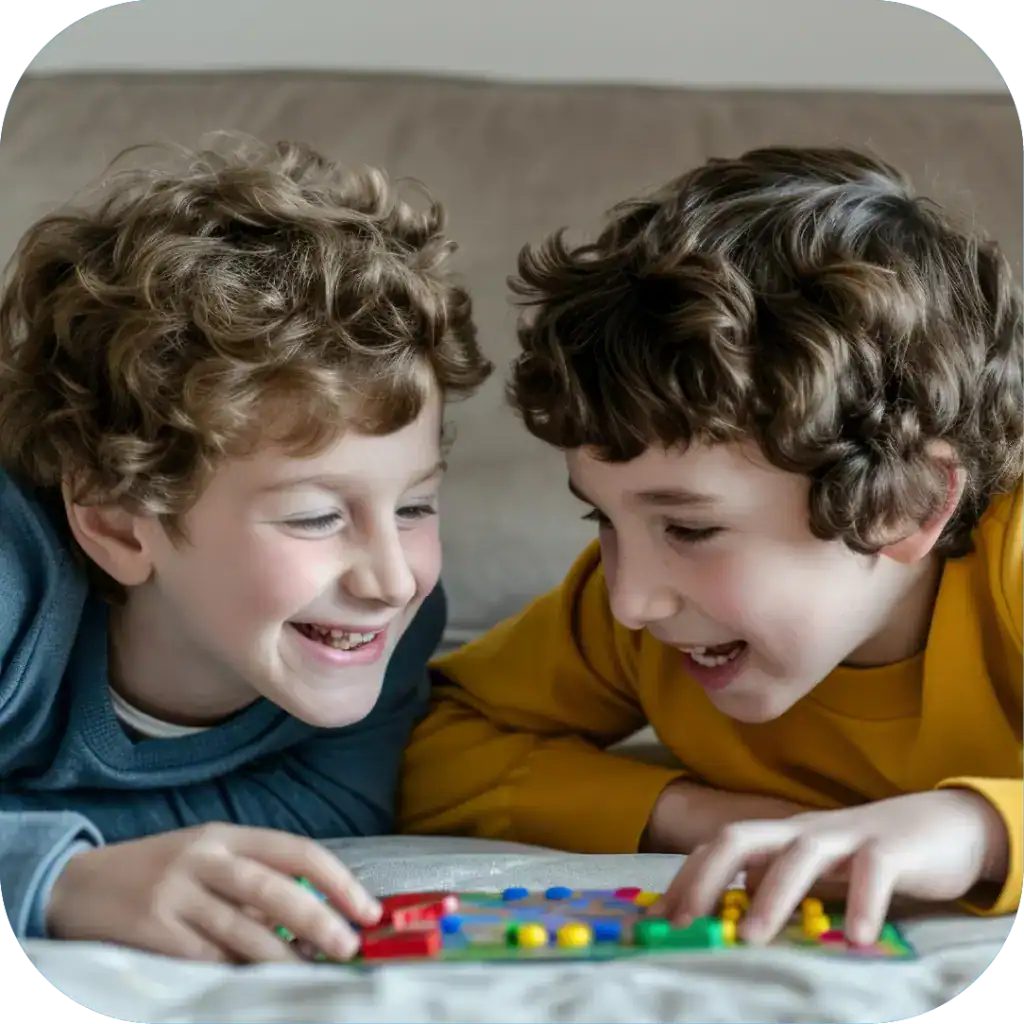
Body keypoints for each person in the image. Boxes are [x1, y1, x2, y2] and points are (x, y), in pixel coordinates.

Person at [398, 147, 1022, 946]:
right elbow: (422, 742)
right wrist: (692, 813)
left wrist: (979, 830)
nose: (631, 600)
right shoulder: (633, 617)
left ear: (907, 504)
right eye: (602, 520)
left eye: (690, 529)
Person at [0, 135, 491, 962]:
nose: (392, 579)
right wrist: (58, 879)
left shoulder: (380, 633)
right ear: (118, 523)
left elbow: (327, 813)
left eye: (413, 506)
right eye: (315, 517)